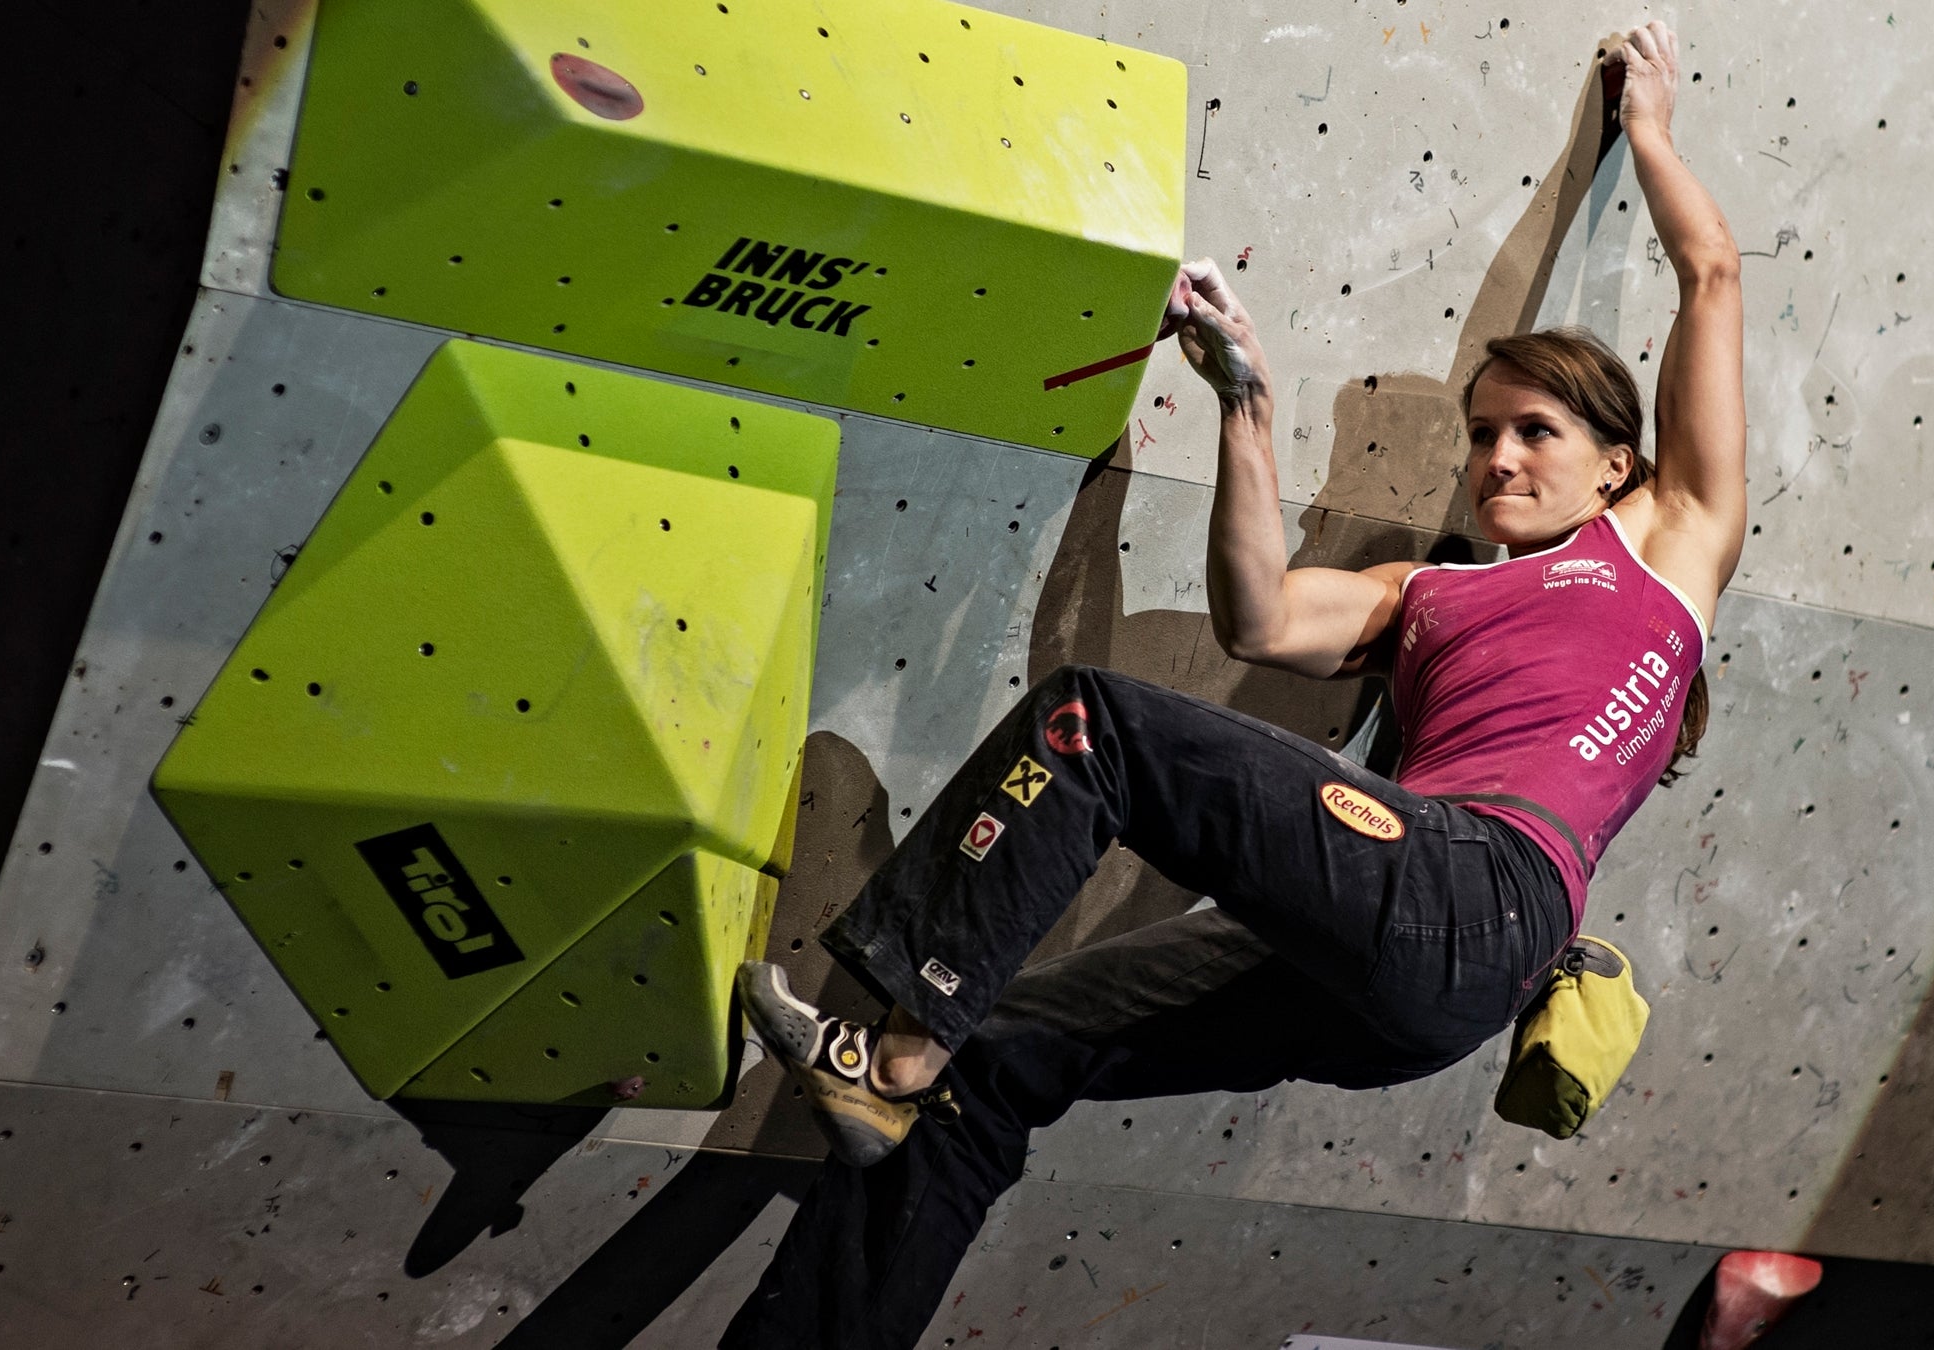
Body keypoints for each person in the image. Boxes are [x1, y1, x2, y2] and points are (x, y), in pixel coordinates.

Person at [719, 21, 1744, 1347]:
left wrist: (1648, 131)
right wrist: (1245, 410)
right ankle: (891, 1154)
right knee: (1006, 1054)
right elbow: (1258, 616)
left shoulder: (1666, 541)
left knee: (1099, 724)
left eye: (1532, 432)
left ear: (1617, 461)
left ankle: (895, 1050)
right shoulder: (1420, 598)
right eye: (1481, 432)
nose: (1496, 457)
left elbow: (1711, 274)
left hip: (1476, 888)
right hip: (1385, 968)